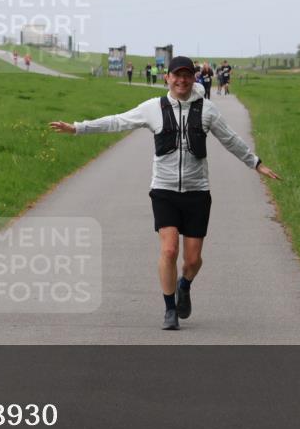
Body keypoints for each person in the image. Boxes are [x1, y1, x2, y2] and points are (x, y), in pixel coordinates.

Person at [49, 56, 280, 330]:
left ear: (193, 78)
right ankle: (170, 309)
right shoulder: (153, 108)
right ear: (167, 78)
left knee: (192, 261)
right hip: (164, 191)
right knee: (169, 250)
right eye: (176, 75)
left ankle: (185, 285)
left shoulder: (207, 110)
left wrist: (256, 163)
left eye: (187, 75)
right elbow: (118, 121)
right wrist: (78, 128)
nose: (182, 80)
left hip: (197, 192)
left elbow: (230, 139)